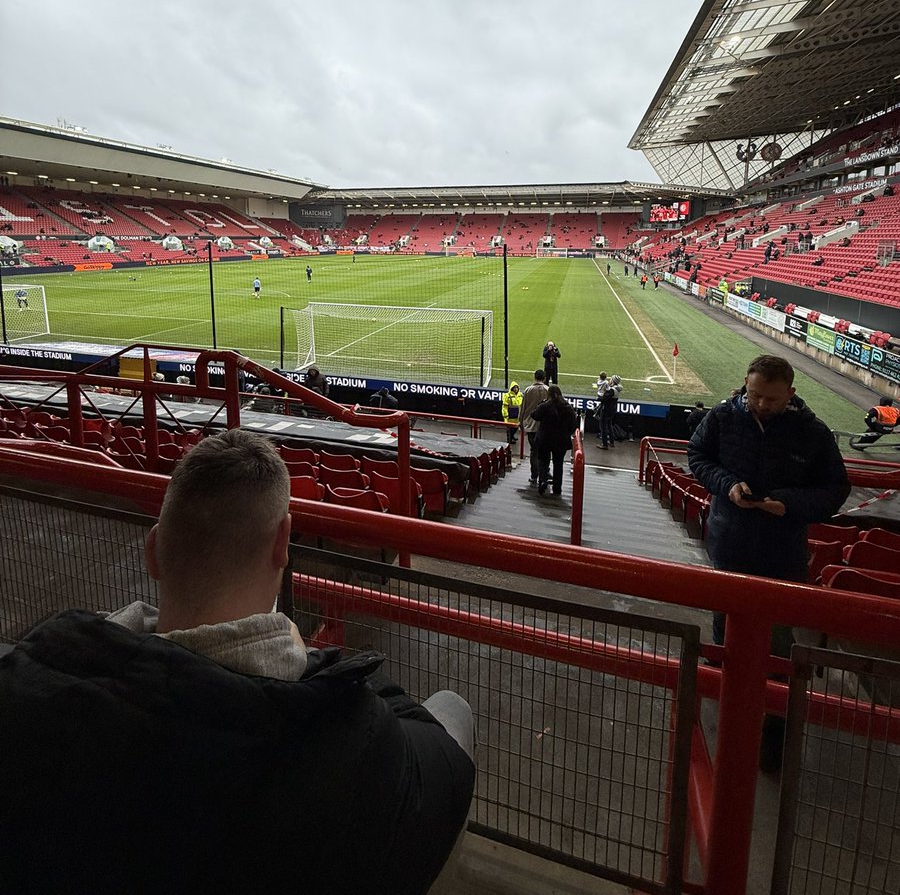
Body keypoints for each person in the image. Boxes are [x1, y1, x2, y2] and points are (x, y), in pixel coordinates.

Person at [0, 431, 475, 894]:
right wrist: (310, 662)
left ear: (153, 551)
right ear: (282, 544)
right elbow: (446, 764)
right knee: (453, 707)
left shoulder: (28, 678)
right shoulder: (346, 732)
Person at [687, 355, 850, 770]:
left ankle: (773, 740)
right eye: (755, 394)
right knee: (724, 631)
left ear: (790, 395)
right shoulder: (724, 416)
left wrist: (790, 504)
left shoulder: (812, 433)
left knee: (776, 650)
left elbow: (835, 489)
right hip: (729, 545)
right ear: (745, 384)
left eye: (772, 400)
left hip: (781, 556)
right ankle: (723, 712)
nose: (761, 404)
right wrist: (728, 487)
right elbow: (699, 457)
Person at [531, 383, 578, 496]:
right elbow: (573, 426)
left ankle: (543, 481)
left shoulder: (545, 406)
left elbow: (534, 415)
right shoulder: (568, 407)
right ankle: (557, 488)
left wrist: (541, 404)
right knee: (558, 464)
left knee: (543, 461)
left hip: (545, 439)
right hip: (561, 442)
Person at [519, 369, 550, 485]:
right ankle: (545, 473)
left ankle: (534, 475)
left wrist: (520, 422)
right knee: (545, 451)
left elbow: (522, 408)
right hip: (545, 427)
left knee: (534, 451)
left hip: (531, 426)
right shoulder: (548, 390)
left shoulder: (528, 390)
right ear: (545, 378)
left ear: (534, 377)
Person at [598, 376, 621, 449]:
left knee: (603, 427)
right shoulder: (617, 389)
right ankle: (611, 442)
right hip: (612, 410)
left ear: (613, 381)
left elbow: (603, 398)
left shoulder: (612, 390)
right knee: (609, 425)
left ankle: (604, 444)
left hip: (606, 410)